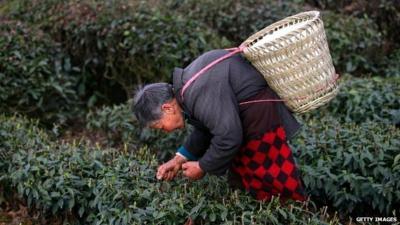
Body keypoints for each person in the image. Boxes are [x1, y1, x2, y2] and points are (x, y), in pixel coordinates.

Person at [132, 49, 306, 201]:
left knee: (274, 185)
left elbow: (228, 136)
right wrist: (179, 159)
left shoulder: (198, 91)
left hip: (260, 122)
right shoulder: (186, 88)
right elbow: (207, 127)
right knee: (245, 184)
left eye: (161, 127)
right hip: (249, 122)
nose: (166, 131)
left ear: (167, 108)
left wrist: (202, 167)